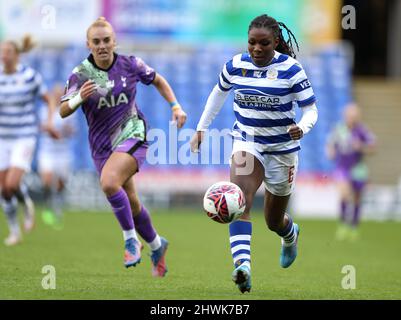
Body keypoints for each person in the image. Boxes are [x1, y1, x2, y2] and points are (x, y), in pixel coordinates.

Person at [190, 14, 318, 293]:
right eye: (252, 43)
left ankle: (290, 234)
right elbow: (217, 94)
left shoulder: (291, 70)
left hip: (282, 150)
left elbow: (311, 110)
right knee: (240, 198)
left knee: (273, 220)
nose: (257, 49)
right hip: (247, 141)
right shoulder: (235, 65)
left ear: (275, 43)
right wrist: (201, 128)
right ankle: (242, 267)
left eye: (264, 44)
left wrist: (302, 127)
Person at [59, 17, 187, 277]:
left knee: (108, 184)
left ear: (114, 41)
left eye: (107, 40)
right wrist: (78, 99)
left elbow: (159, 80)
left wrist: (176, 106)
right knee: (131, 202)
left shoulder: (130, 64)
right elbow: (62, 110)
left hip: (133, 133)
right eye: (96, 42)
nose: (102, 45)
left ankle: (131, 239)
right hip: (102, 147)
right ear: (89, 44)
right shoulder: (80, 74)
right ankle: (156, 244)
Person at [0, 35, 57, 246]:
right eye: (2, 52)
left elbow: (49, 98)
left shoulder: (30, 76)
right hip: (3, 138)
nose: (3, 56)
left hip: (24, 137)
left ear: (16, 55)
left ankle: (27, 206)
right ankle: (14, 231)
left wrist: (50, 121)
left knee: (12, 182)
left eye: (7, 52)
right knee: (4, 189)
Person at [326, 102, 376, 241]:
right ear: (345, 115)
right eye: (349, 115)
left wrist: (362, 147)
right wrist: (330, 151)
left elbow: (373, 147)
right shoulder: (339, 129)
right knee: (344, 194)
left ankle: (354, 227)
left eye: (353, 115)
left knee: (357, 198)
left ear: (358, 116)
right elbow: (330, 144)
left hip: (358, 168)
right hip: (342, 167)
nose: (351, 118)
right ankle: (343, 225)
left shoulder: (362, 130)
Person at [38, 84, 76, 230]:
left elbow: (73, 131)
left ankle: (57, 207)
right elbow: (42, 126)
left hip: (63, 152)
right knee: (47, 181)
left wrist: (64, 131)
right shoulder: (45, 111)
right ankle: (48, 208)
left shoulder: (68, 111)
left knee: (61, 184)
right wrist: (50, 130)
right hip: (47, 152)